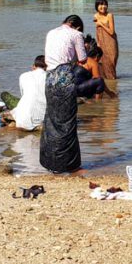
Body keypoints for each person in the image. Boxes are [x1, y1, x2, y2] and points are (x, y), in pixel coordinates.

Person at [40, 15, 105, 174]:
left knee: (52, 122)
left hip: (49, 80)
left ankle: (51, 164)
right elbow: (82, 59)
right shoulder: (76, 34)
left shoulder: (51, 33)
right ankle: (71, 165)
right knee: (68, 124)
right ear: (77, 26)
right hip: (64, 79)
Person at [12, 55, 47, 131]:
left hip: (21, 121)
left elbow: (23, 94)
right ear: (47, 67)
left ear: (33, 66)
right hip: (41, 120)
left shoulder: (23, 76)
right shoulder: (50, 77)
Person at [93, 0, 118, 79]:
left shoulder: (109, 15)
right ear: (96, 6)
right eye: (101, 4)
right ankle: (107, 85)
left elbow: (112, 32)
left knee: (111, 64)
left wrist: (101, 24)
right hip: (101, 43)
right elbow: (97, 31)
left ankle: (113, 82)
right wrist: (97, 43)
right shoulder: (95, 16)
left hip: (111, 43)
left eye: (105, 5)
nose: (103, 6)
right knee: (102, 64)